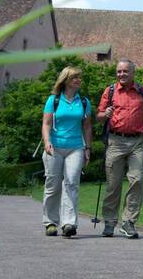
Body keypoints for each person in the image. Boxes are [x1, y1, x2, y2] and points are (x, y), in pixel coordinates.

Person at [96, 59, 143, 238]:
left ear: (133, 73)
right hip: (115, 141)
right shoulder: (110, 91)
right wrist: (104, 114)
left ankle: (129, 222)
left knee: (137, 180)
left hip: (137, 142)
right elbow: (98, 116)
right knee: (113, 184)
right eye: (119, 71)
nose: (121, 74)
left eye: (125, 71)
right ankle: (109, 222)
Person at [41, 66, 93, 238]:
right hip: (54, 147)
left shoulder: (84, 102)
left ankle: (69, 223)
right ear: (66, 80)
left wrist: (87, 148)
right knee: (53, 184)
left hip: (76, 147)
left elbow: (87, 126)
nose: (79, 80)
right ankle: (50, 222)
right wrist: (47, 142)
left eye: (79, 78)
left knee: (71, 183)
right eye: (75, 78)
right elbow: (46, 124)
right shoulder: (53, 100)